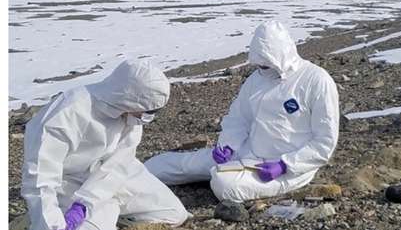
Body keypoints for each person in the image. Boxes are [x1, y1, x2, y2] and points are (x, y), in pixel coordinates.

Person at [146, 21, 340, 203]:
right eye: (260, 62)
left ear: (281, 53)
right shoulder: (257, 79)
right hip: (245, 152)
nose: (262, 67)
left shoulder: (315, 80)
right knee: (165, 167)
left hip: (284, 167)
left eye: (267, 62)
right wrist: (228, 145)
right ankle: (139, 172)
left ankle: (224, 175)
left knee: (224, 185)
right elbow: (239, 118)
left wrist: (285, 165)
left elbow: (324, 142)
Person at [22, 60, 190, 230]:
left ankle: (111, 212)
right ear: (130, 98)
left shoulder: (131, 116)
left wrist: (88, 202)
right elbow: (40, 178)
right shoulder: (68, 113)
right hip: (70, 180)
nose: (146, 116)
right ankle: (35, 220)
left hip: (114, 177)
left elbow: (119, 164)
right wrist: (50, 221)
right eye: (147, 111)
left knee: (174, 214)